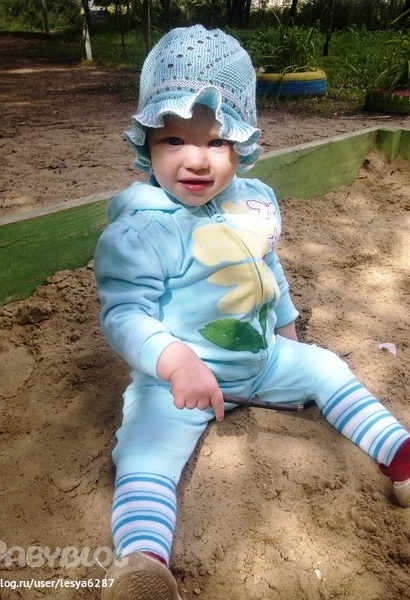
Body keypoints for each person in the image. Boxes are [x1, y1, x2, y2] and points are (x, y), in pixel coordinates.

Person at [94, 24, 410, 600]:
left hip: (263, 360)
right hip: (182, 383)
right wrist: (174, 361)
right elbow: (124, 314)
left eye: (217, 142)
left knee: (327, 368)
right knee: (143, 450)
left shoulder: (254, 202)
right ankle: (144, 559)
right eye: (174, 140)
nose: (197, 160)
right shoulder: (140, 229)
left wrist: (287, 331)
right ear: (146, 143)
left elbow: (270, 270)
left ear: (242, 144)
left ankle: (400, 453)